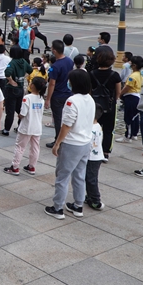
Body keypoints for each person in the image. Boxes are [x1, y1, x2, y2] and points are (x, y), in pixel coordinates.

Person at [45, 69, 95, 219]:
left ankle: (58, 207)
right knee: (79, 175)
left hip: (72, 143)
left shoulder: (71, 101)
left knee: (62, 176)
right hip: (85, 142)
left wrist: (57, 143)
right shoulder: (90, 99)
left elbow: (66, 125)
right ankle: (78, 206)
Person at [4, 77, 46, 176]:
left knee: (20, 147)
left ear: (33, 86)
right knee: (35, 147)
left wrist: (19, 116)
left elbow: (22, 113)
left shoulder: (27, 98)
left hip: (26, 126)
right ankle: (32, 166)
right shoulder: (41, 98)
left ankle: (15, 167)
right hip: (37, 127)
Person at [88, 46, 122, 159]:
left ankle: (92, 148)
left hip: (95, 105)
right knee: (108, 130)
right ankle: (105, 152)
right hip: (109, 106)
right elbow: (118, 93)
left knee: (93, 127)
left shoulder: (92, 74)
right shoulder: (115, 76)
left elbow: (89, 91)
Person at [45, 40, 74, 148]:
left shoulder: (55, 66)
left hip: (57, 95)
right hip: (68, 93)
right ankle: (65, 137)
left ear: (55, 50)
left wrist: (48, 99)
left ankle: (58, 139)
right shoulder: (69, 61)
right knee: (66, 118)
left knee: (58, 119)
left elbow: (52, 84)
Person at [2, 46, 33, 136]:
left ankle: (6, 129)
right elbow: (30, 70)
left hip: (12, 89)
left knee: (10, 111)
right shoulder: (23, 61)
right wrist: (22, 77)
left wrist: (11, 81)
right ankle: (20, 126)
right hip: (20, 89)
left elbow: (7, 73)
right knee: (20, 109)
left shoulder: (12, 63)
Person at [117, 56, 143, 145]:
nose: (130, 65)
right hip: (136, 96)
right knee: (135, 117)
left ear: (134, 65)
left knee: (128, 117)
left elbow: (128, 87)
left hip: (131, 97)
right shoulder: (140, 74)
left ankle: (127, 136)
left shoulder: (133, 76)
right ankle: (134, 134)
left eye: (131, 64)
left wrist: (120, 93)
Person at [85, 105, 105, 210]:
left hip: (93, 157)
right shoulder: (97, 126)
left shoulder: (90, 128)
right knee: (88, 177)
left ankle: (96, 200)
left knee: (91, 179)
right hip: (96, 156)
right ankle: (89, 196)